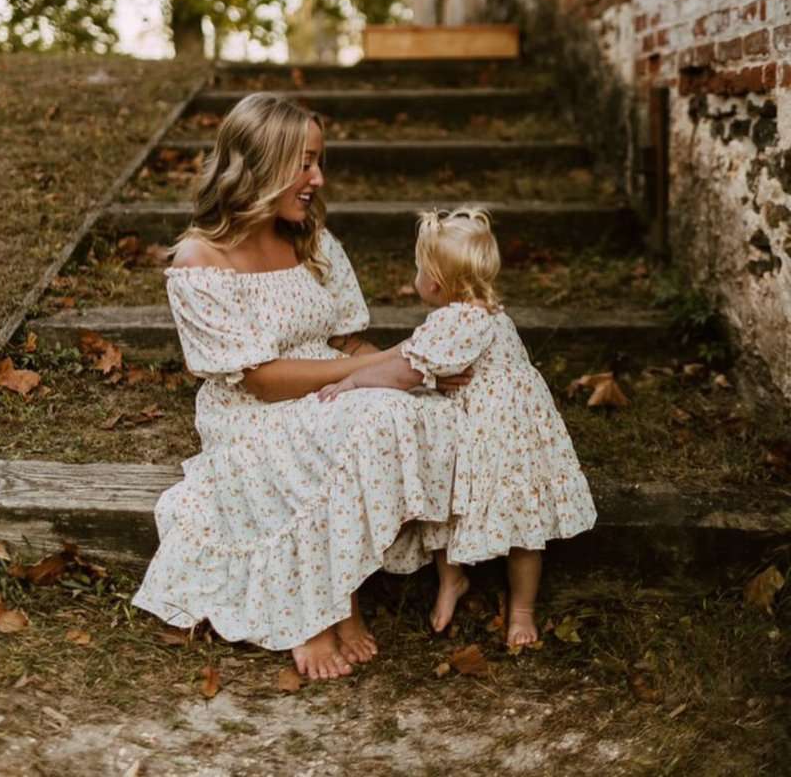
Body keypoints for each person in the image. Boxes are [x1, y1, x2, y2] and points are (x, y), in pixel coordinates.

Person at [131, 94, 471, 680]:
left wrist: (414, 369)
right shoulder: (199, 259)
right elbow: (260, 380)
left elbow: (348, 343)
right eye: (305, 162)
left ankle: (346, 586)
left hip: (334, 386)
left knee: (428, 409)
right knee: (372, 414)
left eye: (319, 162)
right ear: (258, 165)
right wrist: (377, 371)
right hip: (253, 409)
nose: (318, 178)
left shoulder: (314, 241)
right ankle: (323, 603)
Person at [319, 207, 597, 648]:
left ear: (434, 281)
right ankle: (462, 585)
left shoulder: (458, 320)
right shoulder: (485, 312)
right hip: (492, 432)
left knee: (510, 521)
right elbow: (421, 359)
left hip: (503, 439)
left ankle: (517, 608)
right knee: (466, 507)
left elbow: (405, 371)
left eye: (417, 269)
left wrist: (352, 379)